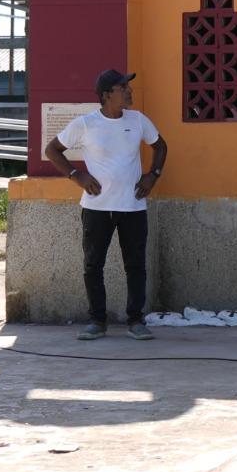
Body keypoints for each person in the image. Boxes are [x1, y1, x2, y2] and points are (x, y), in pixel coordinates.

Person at [42, 67, 167, 341]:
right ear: (108, 95)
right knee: (93, 265)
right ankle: (97, 321)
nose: (129, 92)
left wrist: (152, 175)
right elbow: (52, 150)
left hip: (133, 207)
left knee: (135, 265)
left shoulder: (137, 120)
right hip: (97, 208)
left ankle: (136, 320)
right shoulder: (85, 124)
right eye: (124, 88)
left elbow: (160, 146)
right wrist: (77, 175)